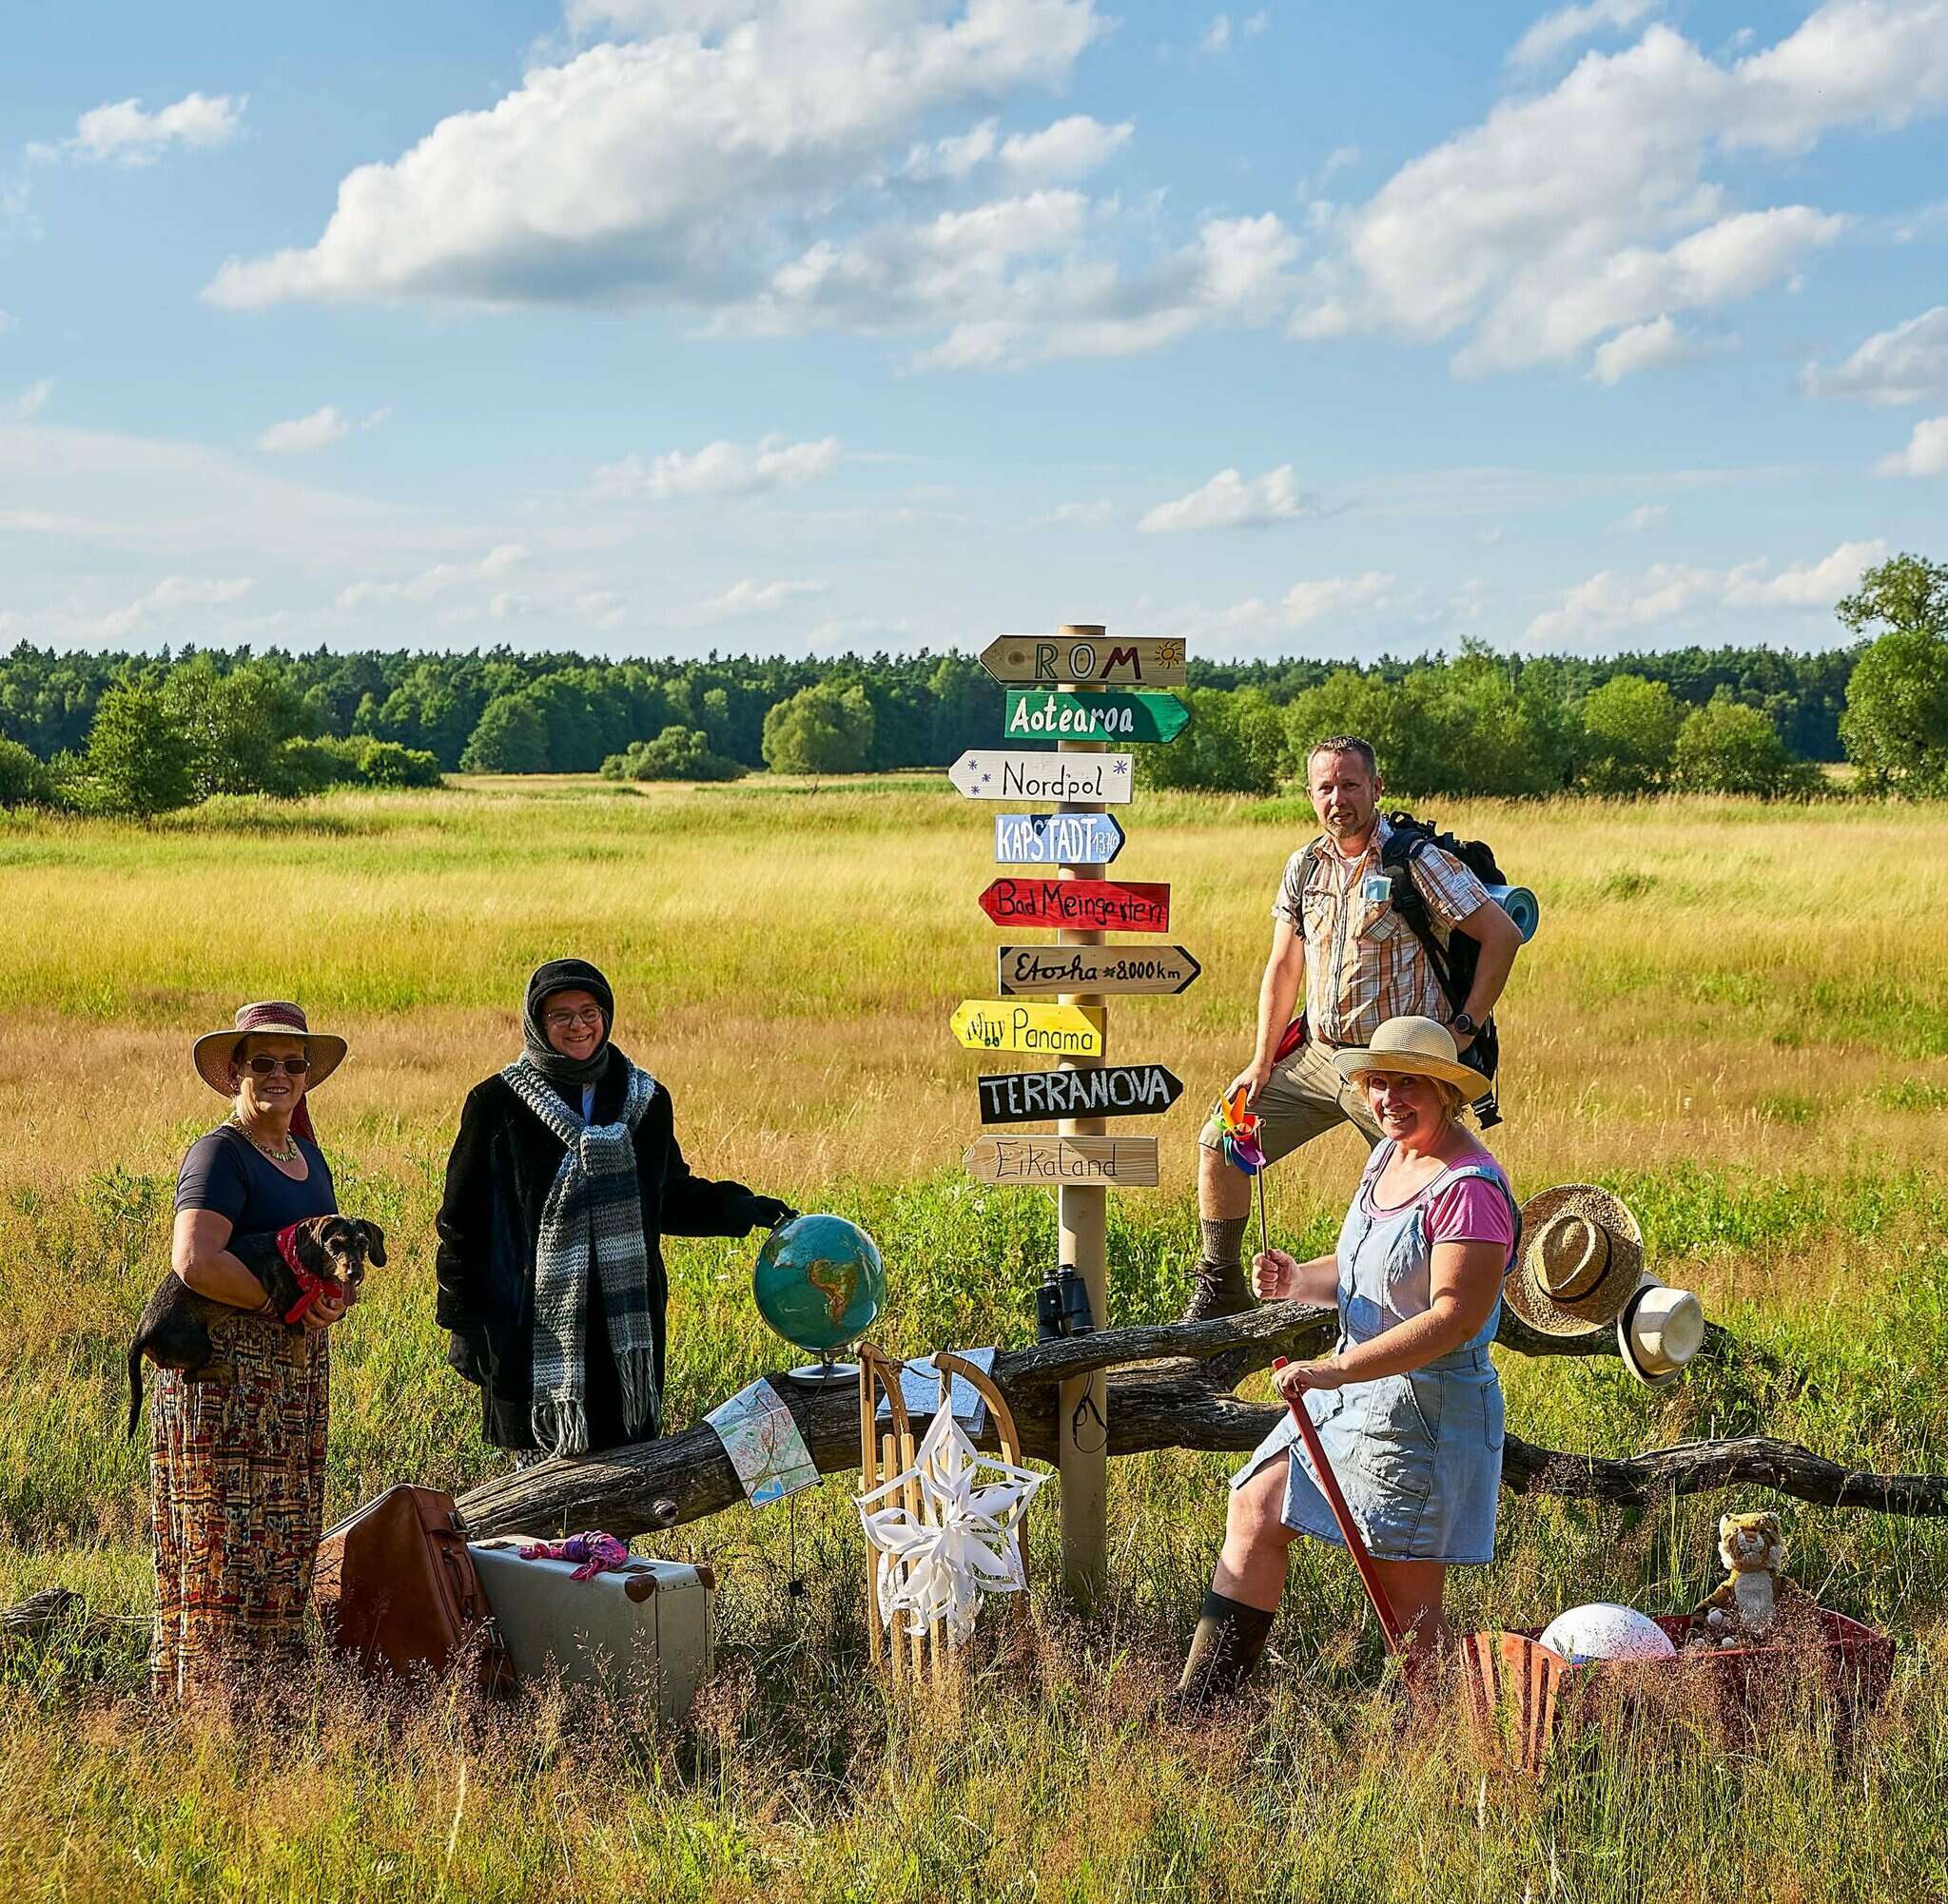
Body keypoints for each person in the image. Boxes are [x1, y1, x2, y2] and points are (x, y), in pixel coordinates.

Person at [1172, 1017, 1518, 1710]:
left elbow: (1453, 1319)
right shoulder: (1388, 1157)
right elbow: (1373, 1273)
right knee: (1255, 1506)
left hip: (1423, 1416)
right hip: (1350, 1391)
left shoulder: (1470, 1189)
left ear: (1448, 1093)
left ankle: (1452, 1750)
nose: (1389, 1098)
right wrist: (1302, 1279)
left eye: (1408, 1084)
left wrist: (1335, 1371)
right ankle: (1201, 1710)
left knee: (1412, 1619)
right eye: (1378, 1083)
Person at [1183, 734, 1524, 1322]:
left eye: (1349, 784)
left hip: (1396, 1071)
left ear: (1376, 788)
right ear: (1311, 795)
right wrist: (1262, 1061)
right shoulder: (1305, 866)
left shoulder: (1415, 861)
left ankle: (1490, 1293)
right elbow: (1284, 965)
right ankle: (1222, 1290)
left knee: (1438, 1187)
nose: (1337, 798)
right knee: (1221, 1141)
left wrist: (1463, 1029)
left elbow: (1501, 935)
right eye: (1325, 787)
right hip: (1319, 1056)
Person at [436, 958, 793, 1463]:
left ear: (607, 1015)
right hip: (530, 1329)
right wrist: (464, 1324)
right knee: (541, 1496)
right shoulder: (497, 1104)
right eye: (560, 1015)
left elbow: (665, 1196)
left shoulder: (645, 1100)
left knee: (624, 1478)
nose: (578, 1026)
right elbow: (461, 1222)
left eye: (589, 1011)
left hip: (623, 1331)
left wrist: (738, 1208)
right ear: (536, 1023)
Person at [154, 1001, 356, 1698]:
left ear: (307, 1076)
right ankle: (213, 1710)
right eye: (261, 1062)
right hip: (224, 1376)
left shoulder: (306, 1153)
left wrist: (327, 1301)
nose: (278, 1075)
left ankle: (272, 1700)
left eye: (292, 1063)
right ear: (234, 1071)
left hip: (291, 1379)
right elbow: (195, 1261)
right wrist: (281, 1305)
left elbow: (316, 1254)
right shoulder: (220, 1152)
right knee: (226, 1539)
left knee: (285, 1534)